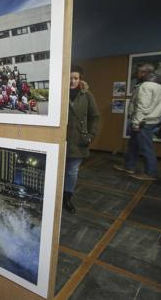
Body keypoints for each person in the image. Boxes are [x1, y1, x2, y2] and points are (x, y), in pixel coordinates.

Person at [114, 64, 161, 181]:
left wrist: (136, 123)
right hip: (149, 120)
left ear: (143, 73)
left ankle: (150, 173)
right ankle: (129, 166)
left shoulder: (146, 86)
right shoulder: (159, 84)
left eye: (138, 72)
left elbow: (142, 107)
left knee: (146, 147)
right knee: (134, 145)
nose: (137, 74)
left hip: (143, 121)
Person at [64, 65, 100, 214]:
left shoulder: (87, 95)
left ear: (80, 79)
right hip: (61, 140)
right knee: (57, 171)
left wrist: (90, 136)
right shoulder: (58, 93)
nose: (72, 81)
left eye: (76, 78)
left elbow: (95, 116)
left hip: (79, 141)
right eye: (70, 77)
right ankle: (54, 198)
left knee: (72, 172)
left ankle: (67, 199)